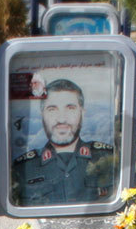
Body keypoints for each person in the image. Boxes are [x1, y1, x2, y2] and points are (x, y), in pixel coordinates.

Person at [11, 78, 115, 206]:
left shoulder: (108, 158)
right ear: (42, 114)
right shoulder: (23, 168)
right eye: (52, 109)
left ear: (82, 112)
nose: (61, 119)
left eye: (70, 108)